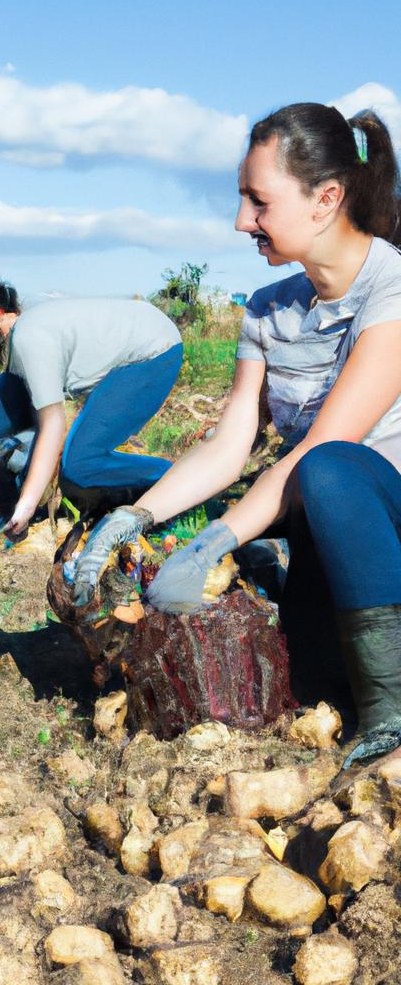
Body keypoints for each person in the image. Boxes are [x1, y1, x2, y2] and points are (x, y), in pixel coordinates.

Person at [72, 103, 401, 767]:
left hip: (377, 513)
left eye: (258, 201)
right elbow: (230, 443)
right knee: (308, 685)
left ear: (326, 199)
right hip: (326, 531)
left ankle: (394, 709)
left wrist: (213, 544)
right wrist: (136, 516)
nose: (241, 220)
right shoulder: (267, 310)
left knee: (330, 466)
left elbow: (321, 450)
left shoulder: (392, 288)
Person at [0, 274, 183, 546]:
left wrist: (26, 506)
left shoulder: (28, 339)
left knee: (82, 464)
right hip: (136, 336)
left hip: (153, 350)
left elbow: (53, 424)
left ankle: (178, 479)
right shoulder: (18, 336)